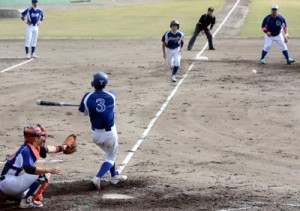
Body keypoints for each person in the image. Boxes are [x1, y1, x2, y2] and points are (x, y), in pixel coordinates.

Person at [0, 124, 69, 208]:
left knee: (31, 192)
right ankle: (27, 201)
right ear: (36, 138)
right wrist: (49, 170)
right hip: (10, 183)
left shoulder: (31, 145)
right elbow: (29, 169)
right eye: (42, 136)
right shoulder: (27, 151)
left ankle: (8, 195)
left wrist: (64, 147)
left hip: (8, 183)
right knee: (44, 174)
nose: (44, 137)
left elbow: (48, 149)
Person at [79, 72, 127, 190]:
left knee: (110, 154)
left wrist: (88, 106)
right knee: (111, 157)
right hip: (109, 134)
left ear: (92, 83)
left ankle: (114, 176)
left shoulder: (87, 96)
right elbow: (112, 93)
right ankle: (97, 177)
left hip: (95, 135)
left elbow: (83, 113)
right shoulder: (111, 96)